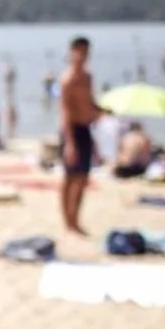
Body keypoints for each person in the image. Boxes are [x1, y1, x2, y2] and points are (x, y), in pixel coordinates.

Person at [59, 36, 103, 235]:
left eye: (86, 52)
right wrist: (69, 143)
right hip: (71, 129)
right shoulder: (67, 80)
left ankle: (75, 218)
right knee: (70, 178)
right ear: (71, 53)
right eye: (79, 52)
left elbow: (90, 102)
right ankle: (68, 220)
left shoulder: (88, 77)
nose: (83, 56)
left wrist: (99, 111)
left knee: (83, 177)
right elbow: (65, 111)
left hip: (85, 128)